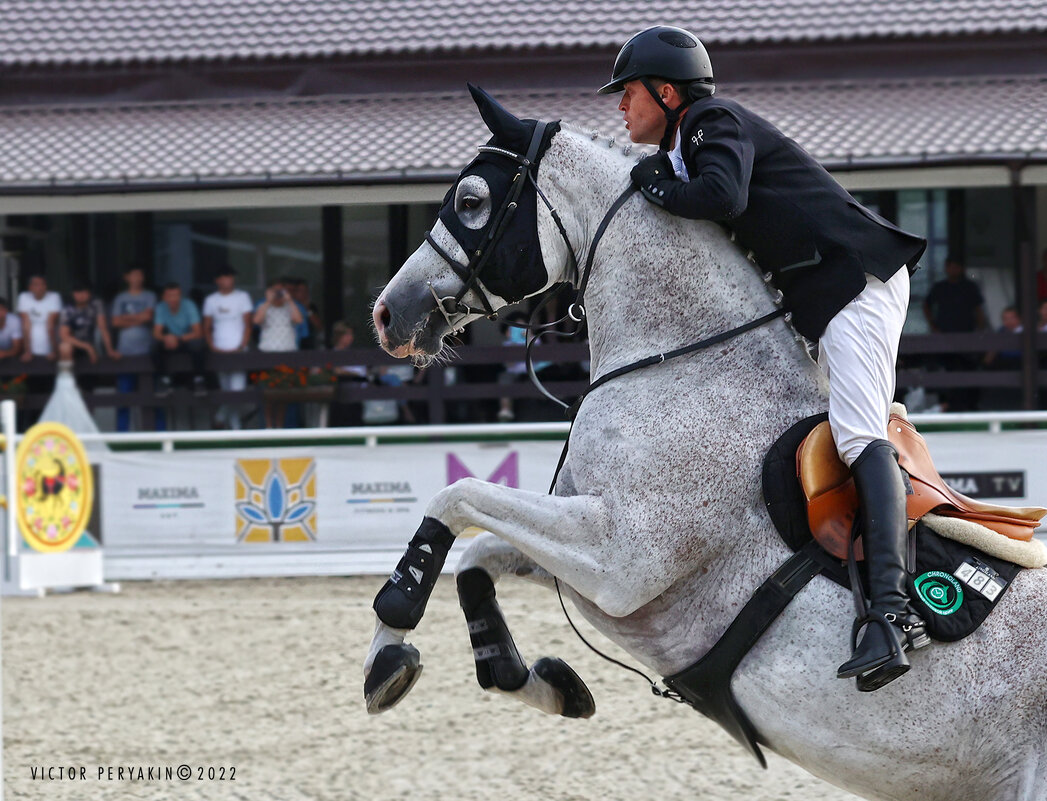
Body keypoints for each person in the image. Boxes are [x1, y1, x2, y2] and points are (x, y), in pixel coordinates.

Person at [602, 26, 928, 691]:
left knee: (859, 432)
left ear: (666, 94)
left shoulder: (706, 121)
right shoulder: (688, 138)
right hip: (824, 289)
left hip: (852, 280)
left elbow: (722, 197)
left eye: (628, 92)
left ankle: (891, 615)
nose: (619, 106)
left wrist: (650, 179)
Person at [203, 266, 253, 429]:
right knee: (225, 391)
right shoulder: (211, 300)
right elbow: (207, 326)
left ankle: (219, 418)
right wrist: (212, 347)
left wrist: (242, 345)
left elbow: (248, 324)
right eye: (224, 277)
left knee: (236, 392)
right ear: (217, 280)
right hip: (219, 349)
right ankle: (235, 430)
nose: (228, 280)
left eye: (230, 277)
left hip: (238, 349)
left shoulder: (243, 297)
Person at [111, 266, 158, 431]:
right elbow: (115, 322)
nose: (137, 278)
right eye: (133, 274)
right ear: (127, 277)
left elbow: (149, 317)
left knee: (153, 395)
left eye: (140, 274)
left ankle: (157, 434)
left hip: (146, 351)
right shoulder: (120, 298)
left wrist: (126, 318)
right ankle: (122, 435)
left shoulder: (150, 296)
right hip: (124, 352)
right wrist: (139, 318)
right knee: (124, 397)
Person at [254, 278, 303, 427]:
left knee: (283, 394)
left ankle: (280, 426)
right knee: (268, 392)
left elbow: (299, 319)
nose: (278, 294)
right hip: (268, 354)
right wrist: (268, 301)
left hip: (287, 354)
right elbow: (256, 321)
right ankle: (269, 426)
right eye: (276, 291)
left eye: (281, 291)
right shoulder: (263, 305)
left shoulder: (290, 306)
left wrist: (289, 300)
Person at [58, 281, 120, 391]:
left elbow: (103, 328)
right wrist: (87, 347)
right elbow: (64, 336)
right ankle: (65, 383)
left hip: (94, 347)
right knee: (64, 347)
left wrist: (110, 350)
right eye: (77, 292)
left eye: (84, 292)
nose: (81, 295)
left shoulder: (96, 304)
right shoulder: (67, 308)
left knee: (89, 387)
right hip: (75, 347)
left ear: (89, 293)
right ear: (73, 294)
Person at [153, 282, 206, 396]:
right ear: (164, 297)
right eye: (170, 295)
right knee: (153, 346)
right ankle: (164, 380)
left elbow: (198, 332)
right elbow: (156, 333)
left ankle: (199, 380)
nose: (173, 299)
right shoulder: (160, 307)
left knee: (198, 344)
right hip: (170, 342)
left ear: (180, 296)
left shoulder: (189, 305)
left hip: (186, 340)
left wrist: (177, 338)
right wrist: (166, 337)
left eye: (176, 295)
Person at [16, 273, 61, 363]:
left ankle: (55, 352)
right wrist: (27, 351)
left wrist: (54, 351)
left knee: (57, 328)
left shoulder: (54, 297)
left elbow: (51, 323)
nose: (40, 287)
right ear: (30, 287)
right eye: (36, 284)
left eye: (42, 284)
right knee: (23, 327)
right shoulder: (23, 297)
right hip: (31, 329)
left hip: (50, 329)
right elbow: (26, 323)